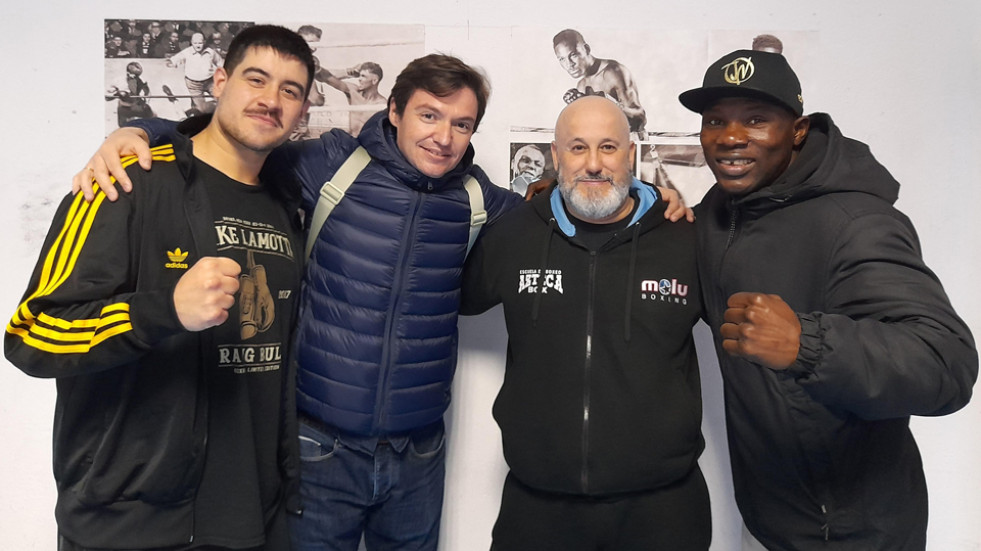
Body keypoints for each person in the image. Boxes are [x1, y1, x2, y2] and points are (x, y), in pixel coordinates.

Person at [71, 54, 691, 550]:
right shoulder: (330, 165)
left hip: (418, 453)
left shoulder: (483, 200)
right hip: (321, 447)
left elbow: (564, 209)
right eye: (428, 115)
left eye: (461, 124)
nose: (444, 137)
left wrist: (662, 198)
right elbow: (232, 144)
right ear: (394, 111)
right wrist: (142, 130)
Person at [6, 24, 316, 551]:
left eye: (290, 90)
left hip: (252, 517)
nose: (271, 100)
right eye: (256, 79)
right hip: (134, 523)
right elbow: (33, 334)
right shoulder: (128, 179)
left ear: (303, 109)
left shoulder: (286, 205)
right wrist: (164, 310)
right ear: (218, 82)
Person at [679, 49, 978, 550]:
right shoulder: (722, 211)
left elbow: (946, 363)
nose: (730, 137)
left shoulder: (856, 222)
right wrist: (569, 195)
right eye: (715, 121)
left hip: (856, 532)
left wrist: (808, 343)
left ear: (797, 129)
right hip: (778, 517)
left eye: (756, 120)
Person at [461, 96, 709, 550]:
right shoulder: (514, 234)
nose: (594, 164)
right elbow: (434, 299)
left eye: (608, 147)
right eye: (577, 148)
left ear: (630, 155)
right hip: (537, 509)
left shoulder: (685, 239)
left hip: (663, 510)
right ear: (555, 157)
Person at [552, 29, 647, 141]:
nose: (569, 64)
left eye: (573, 55)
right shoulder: (581, 85)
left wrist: (603, 104)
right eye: (562, 59)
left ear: (586, 49)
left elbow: (640, 119)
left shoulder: (613, 72)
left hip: (629, 146)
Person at [167, 31, 222, 114]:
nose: (198, 45)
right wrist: (171, 63)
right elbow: (174, 60)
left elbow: (220, 63)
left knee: (222, 100)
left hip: (210, 81)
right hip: (194, 85)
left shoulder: (210, 52)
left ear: (204, 42)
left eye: (200, 43)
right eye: (195, 43)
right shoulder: (187, 52)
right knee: (201, 109)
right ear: (192, 43)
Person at [106, 61, 154, 127]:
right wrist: (117, 94)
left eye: (138, 75)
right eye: (134, 76)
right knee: (123, 127)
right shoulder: (119, 81)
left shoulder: (141, 80)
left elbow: (147, 92)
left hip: (137, 105)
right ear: (128, 73)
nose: (136, 78)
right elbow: (107, 97)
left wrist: (146, 100)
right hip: (125, 107)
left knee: (148, 111)